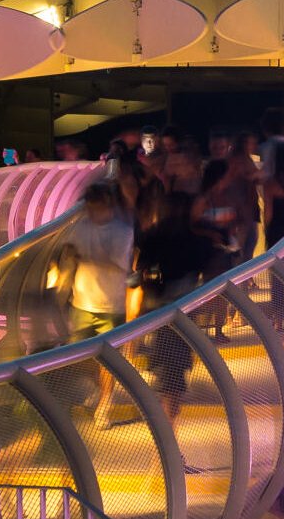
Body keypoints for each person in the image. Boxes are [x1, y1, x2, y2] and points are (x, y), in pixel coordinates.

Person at [133, 184, 212, 423]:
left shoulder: (154, 233)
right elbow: (206, 268)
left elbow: (140, 270)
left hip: (157, 304)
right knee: (176, 367)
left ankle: (167, 419)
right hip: (186, 304)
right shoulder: (196, 236)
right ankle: (169, 421)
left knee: (165, 365)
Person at [56, 181, 135, 418]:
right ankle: (96, 391)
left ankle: (105, 403)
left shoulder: (123, 231)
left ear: (108, 205)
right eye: (89, 207)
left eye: (96, 207)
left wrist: (83, 255)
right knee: (77, 355)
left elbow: (117, 263)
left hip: (111, 305)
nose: (92, 212)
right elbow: (68, 255)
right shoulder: (80, 226)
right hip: (82, 302)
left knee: (107, 359)